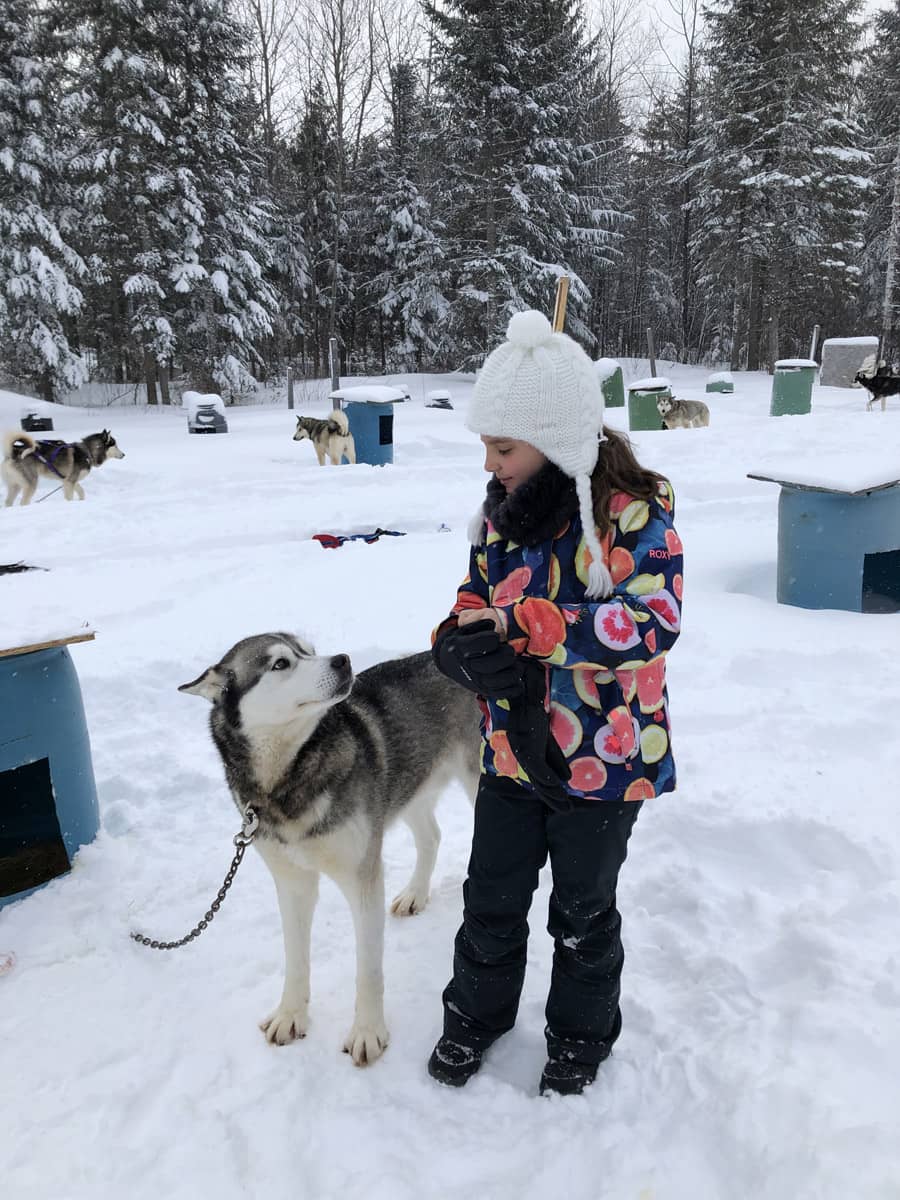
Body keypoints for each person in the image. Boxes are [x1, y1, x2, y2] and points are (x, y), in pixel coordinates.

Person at [427, 309, 683, 1096]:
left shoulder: (632, 515)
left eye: (503, 447)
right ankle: (476, 1017)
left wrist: (534, 626)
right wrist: (455, 642)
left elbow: (653, 621)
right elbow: (475, 598)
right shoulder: (499, 520)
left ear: (558, 439)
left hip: (604, 761)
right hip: (509, 750)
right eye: (486, 446)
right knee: (491, 898)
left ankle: (578, 1036)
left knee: (581, 912)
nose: (490, 461)